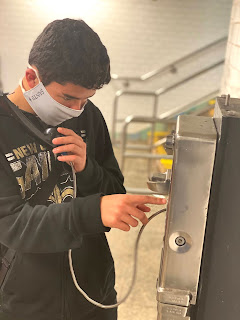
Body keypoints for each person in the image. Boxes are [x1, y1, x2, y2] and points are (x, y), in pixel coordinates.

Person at [0, 18, 166, 320]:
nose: (76, 110)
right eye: (67, 98)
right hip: (25, 303)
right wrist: (92, 211)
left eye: (85, 99)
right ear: (31, 77)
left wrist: (88, 168)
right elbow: (10, 223)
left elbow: (114, 190)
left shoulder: (89, 117)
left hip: (93, 292)